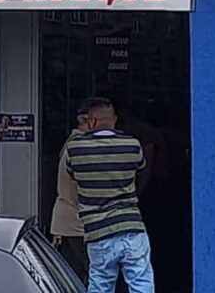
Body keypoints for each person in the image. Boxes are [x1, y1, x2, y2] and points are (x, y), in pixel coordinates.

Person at [66, 98, 154, 293]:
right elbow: (140, 169)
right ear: (114, 119)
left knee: (100, 284)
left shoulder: (75, 149)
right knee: (141, 282)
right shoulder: (132, 145)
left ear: (91, 121)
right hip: (131, 226)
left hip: (98, 231)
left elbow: (71, 173)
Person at [51, 104, 91, 282]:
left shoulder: (72, 143)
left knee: (71, 276)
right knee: (91, 275)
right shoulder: (81, 147)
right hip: (78, 224)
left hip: (66, 223)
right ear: (87, 121)